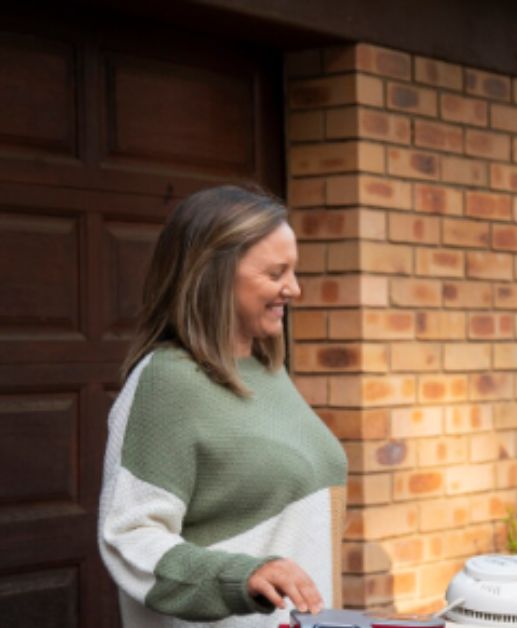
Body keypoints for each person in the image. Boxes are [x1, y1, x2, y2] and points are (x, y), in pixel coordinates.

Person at [97, 185, 348, 626]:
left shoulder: (265, 370)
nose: (294, 289)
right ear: (213, 275)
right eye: (276, 273)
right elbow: (129, 535)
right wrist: (240, 576)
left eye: (294, 271)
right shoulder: (167, 380)